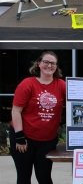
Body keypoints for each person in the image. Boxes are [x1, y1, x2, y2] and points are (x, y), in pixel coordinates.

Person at [9, 51, 66, 184]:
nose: (49, 65)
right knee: (24, 177)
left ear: (56, 67)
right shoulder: (27, 84)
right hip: (24, 139)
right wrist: (19, 137)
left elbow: (81, 93)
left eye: (53, 63)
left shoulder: (61, 85)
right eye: (46, 62)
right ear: (39, 64)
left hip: (47, 141)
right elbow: (16, 111)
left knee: (44, 178)